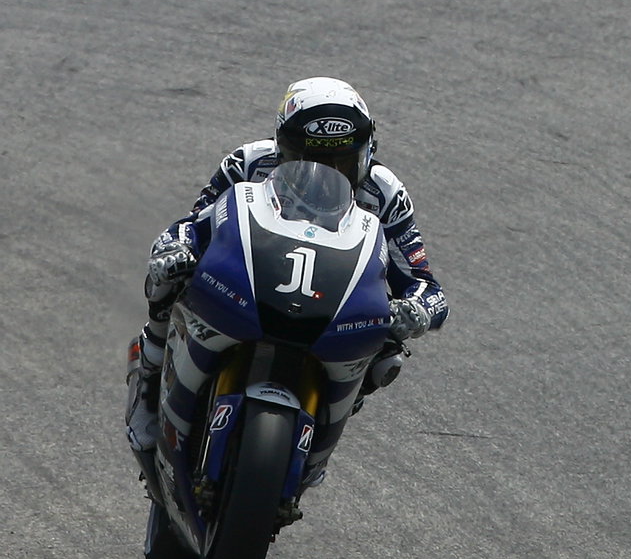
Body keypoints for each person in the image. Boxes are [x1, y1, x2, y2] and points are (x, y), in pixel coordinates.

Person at [123, 77, 450, 483]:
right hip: (250, 279)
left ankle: (319, 442)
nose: (326, 173)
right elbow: (195, 224)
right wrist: (176, 250)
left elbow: (425, 284)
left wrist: (416, 310)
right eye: (305, 159)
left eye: (343, 164)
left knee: (386, 353)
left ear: (368, 151)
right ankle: (150, 375)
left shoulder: (386, 193)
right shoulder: (247, 163)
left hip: (332, 298)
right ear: (282, 148)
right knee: (170, 278)